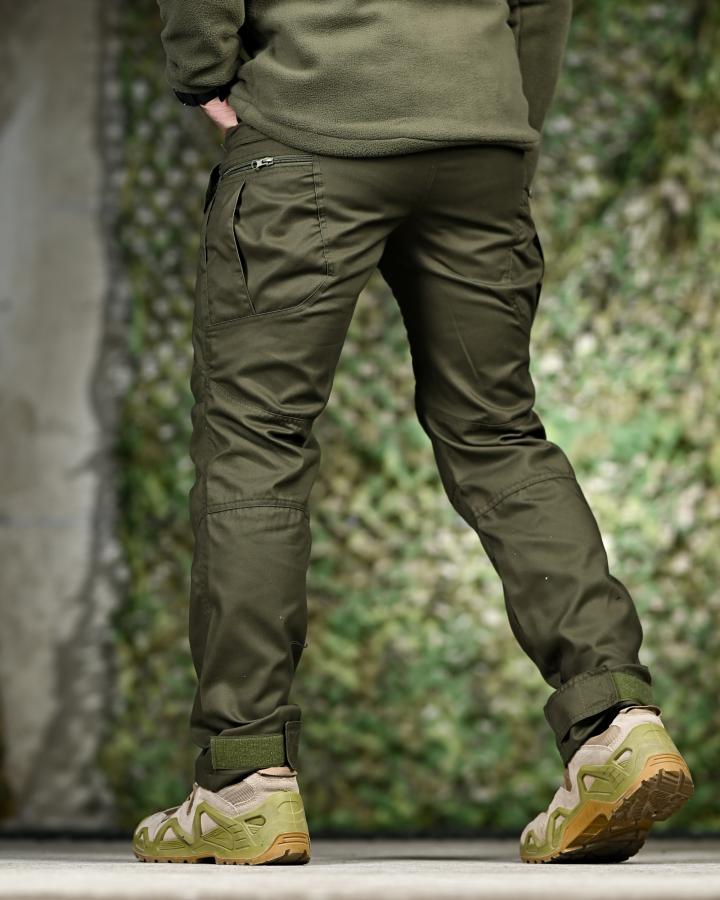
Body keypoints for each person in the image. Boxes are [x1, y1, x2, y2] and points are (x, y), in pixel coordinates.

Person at [132, 0, 694, 866]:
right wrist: (502, 106)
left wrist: (203, 72)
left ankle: (245, 781)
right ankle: (615, 723)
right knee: (498, 432)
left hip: (311, 119)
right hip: (480, 130)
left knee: (257, 446)